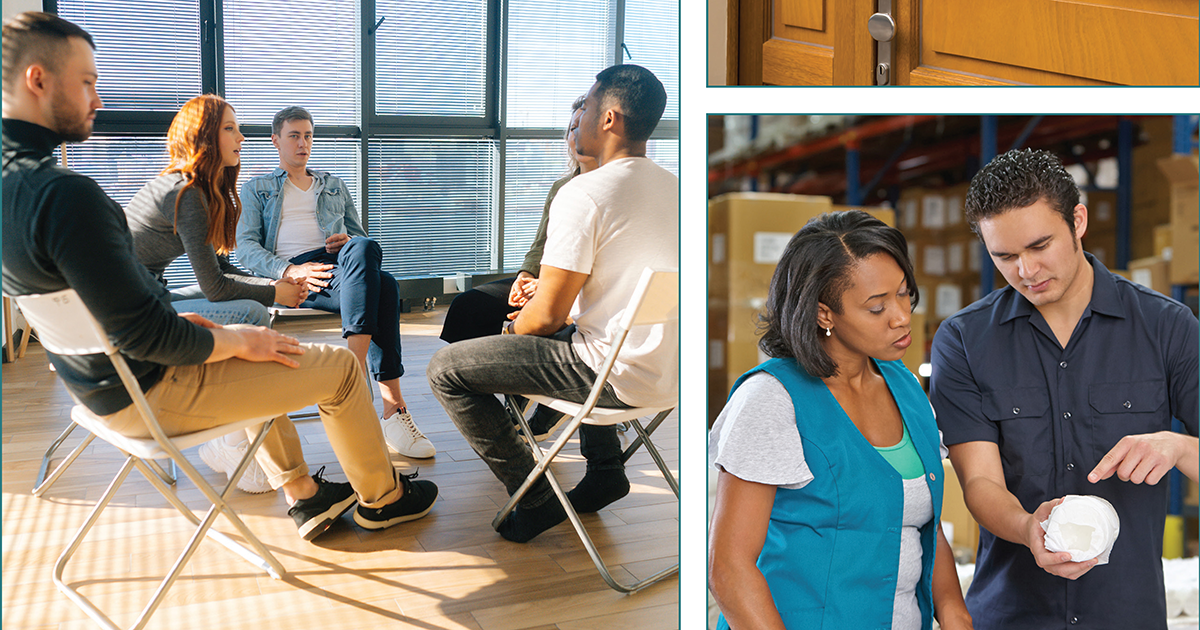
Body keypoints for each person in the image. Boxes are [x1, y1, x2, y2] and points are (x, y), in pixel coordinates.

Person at [2, 11, 437, 543]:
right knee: (336, 370)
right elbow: (153, 334)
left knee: (260, 339)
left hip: (101, 391)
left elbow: (116, 316)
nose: (97, 99)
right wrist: (236, 336)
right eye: (88, 82)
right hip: (148, 393)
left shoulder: (13, 194)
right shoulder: (68, 198)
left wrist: (202, 327)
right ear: (38, 79)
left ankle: (304, 495)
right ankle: (385, 499)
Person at [929, 148, 1199, 629]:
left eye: (1038, 246)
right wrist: (1028, 527)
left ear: (1078, 220)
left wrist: (1177, 447)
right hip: (1011, 615)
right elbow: (980, 483)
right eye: (1004, 257)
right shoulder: (965, 340)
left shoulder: (1167, 327)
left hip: (1126, 616)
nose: (1026, 271)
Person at [426, 64, 677, 543]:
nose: (577, 115)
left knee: (447, 370)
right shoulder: (681, 190)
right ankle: (605, 469)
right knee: (577, 336)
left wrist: (507, 336)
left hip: (612, 378)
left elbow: (544, 319)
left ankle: (536, 495)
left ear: (609, 118)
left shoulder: (584, 193)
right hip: (671, 376)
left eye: (584, 104)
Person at [707, 211, 972, 630]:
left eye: (904, 294)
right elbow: (729, 569)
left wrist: (956, 614)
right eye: (876, 306)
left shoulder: (905, 387)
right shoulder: (771, 401)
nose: (901, 315)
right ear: (824, 313)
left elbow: (923, 520)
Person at [124, 94, 308, 493]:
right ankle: (226, 438)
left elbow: (220, 270)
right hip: (139, 315)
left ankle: (231, 435)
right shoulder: (187, 193)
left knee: (251, 304)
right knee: (254, 315)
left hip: (147, 298)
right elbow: (215, 287)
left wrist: (274, 286)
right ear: (205, 137)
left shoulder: (189, 186)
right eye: (230, 128)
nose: (241, 136)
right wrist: (274, 293)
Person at [236, 106, 433, 460]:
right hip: (295, 272)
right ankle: (393, 408)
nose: (303, 143)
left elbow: (361, 239)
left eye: (308, 135)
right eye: (294, 135)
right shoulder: (257, 189)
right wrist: (287, 271)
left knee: (365, 246)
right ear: (276, 140)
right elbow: (246, 248)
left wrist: (345, 240)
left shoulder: (333, 185)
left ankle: (353, 369)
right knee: (386, 288)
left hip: (341, 263)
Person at [438, 94, 597, 440]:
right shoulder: (561, 187)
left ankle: (540, 409)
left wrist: (545, 289)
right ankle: (509, 400)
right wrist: (526, 276)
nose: (574, 136)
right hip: (544, 277)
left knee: (545, 327)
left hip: (577, 290)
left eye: (581, 127)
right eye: (570, 129)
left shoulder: (607, 192)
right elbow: (540, 245)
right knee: (469, 306)